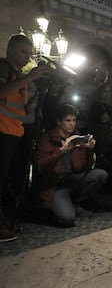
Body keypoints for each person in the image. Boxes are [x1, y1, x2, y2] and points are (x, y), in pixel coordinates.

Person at [0, 34, 50, 242]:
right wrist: (29, 77)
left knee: (8, 181)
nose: (27, 57)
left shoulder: (19, 75)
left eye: (29, 54)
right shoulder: (3, 67)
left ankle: (7, 219)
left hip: (14, 133)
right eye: (23, 52)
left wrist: (37, 96)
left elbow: (22, 108)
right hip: (2, 132)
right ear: (10, 48)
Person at [34, 104, 108, 227]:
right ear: (58, 122)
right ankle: (62, 206)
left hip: (72, 180)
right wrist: (63, 150)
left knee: (100, 175)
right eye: (68, 120)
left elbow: (86, 168)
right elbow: (42, 167)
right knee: (68, 219)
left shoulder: (77, 137)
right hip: (56, 184)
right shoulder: (48, 138)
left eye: (74, 120)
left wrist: (89, 150)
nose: (72, 124)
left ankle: (73, 202)